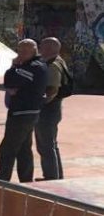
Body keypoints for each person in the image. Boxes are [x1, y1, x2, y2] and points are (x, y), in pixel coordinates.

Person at [0, 39, 48, 183]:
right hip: (25, 112)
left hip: (23, 113)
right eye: (19, 50)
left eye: (25, 51)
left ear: (34, 51)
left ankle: (1, 181)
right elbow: (11, 84)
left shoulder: (36, 66)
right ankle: (26, 180)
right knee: (24, 148)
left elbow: (9, 80)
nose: (20, 54)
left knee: (8, 148)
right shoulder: (30, 66)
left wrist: (14, 67)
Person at [35, 37, 69, 181]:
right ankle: (56, 175)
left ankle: (51, 176)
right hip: (54, 109)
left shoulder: (53, 65)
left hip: (48, 110)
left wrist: (41, 104)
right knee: (51, 144)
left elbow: (53, 89)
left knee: (46, 145)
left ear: (48, 49)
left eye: (41, 46)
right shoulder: (59, 60)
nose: (39, 49)